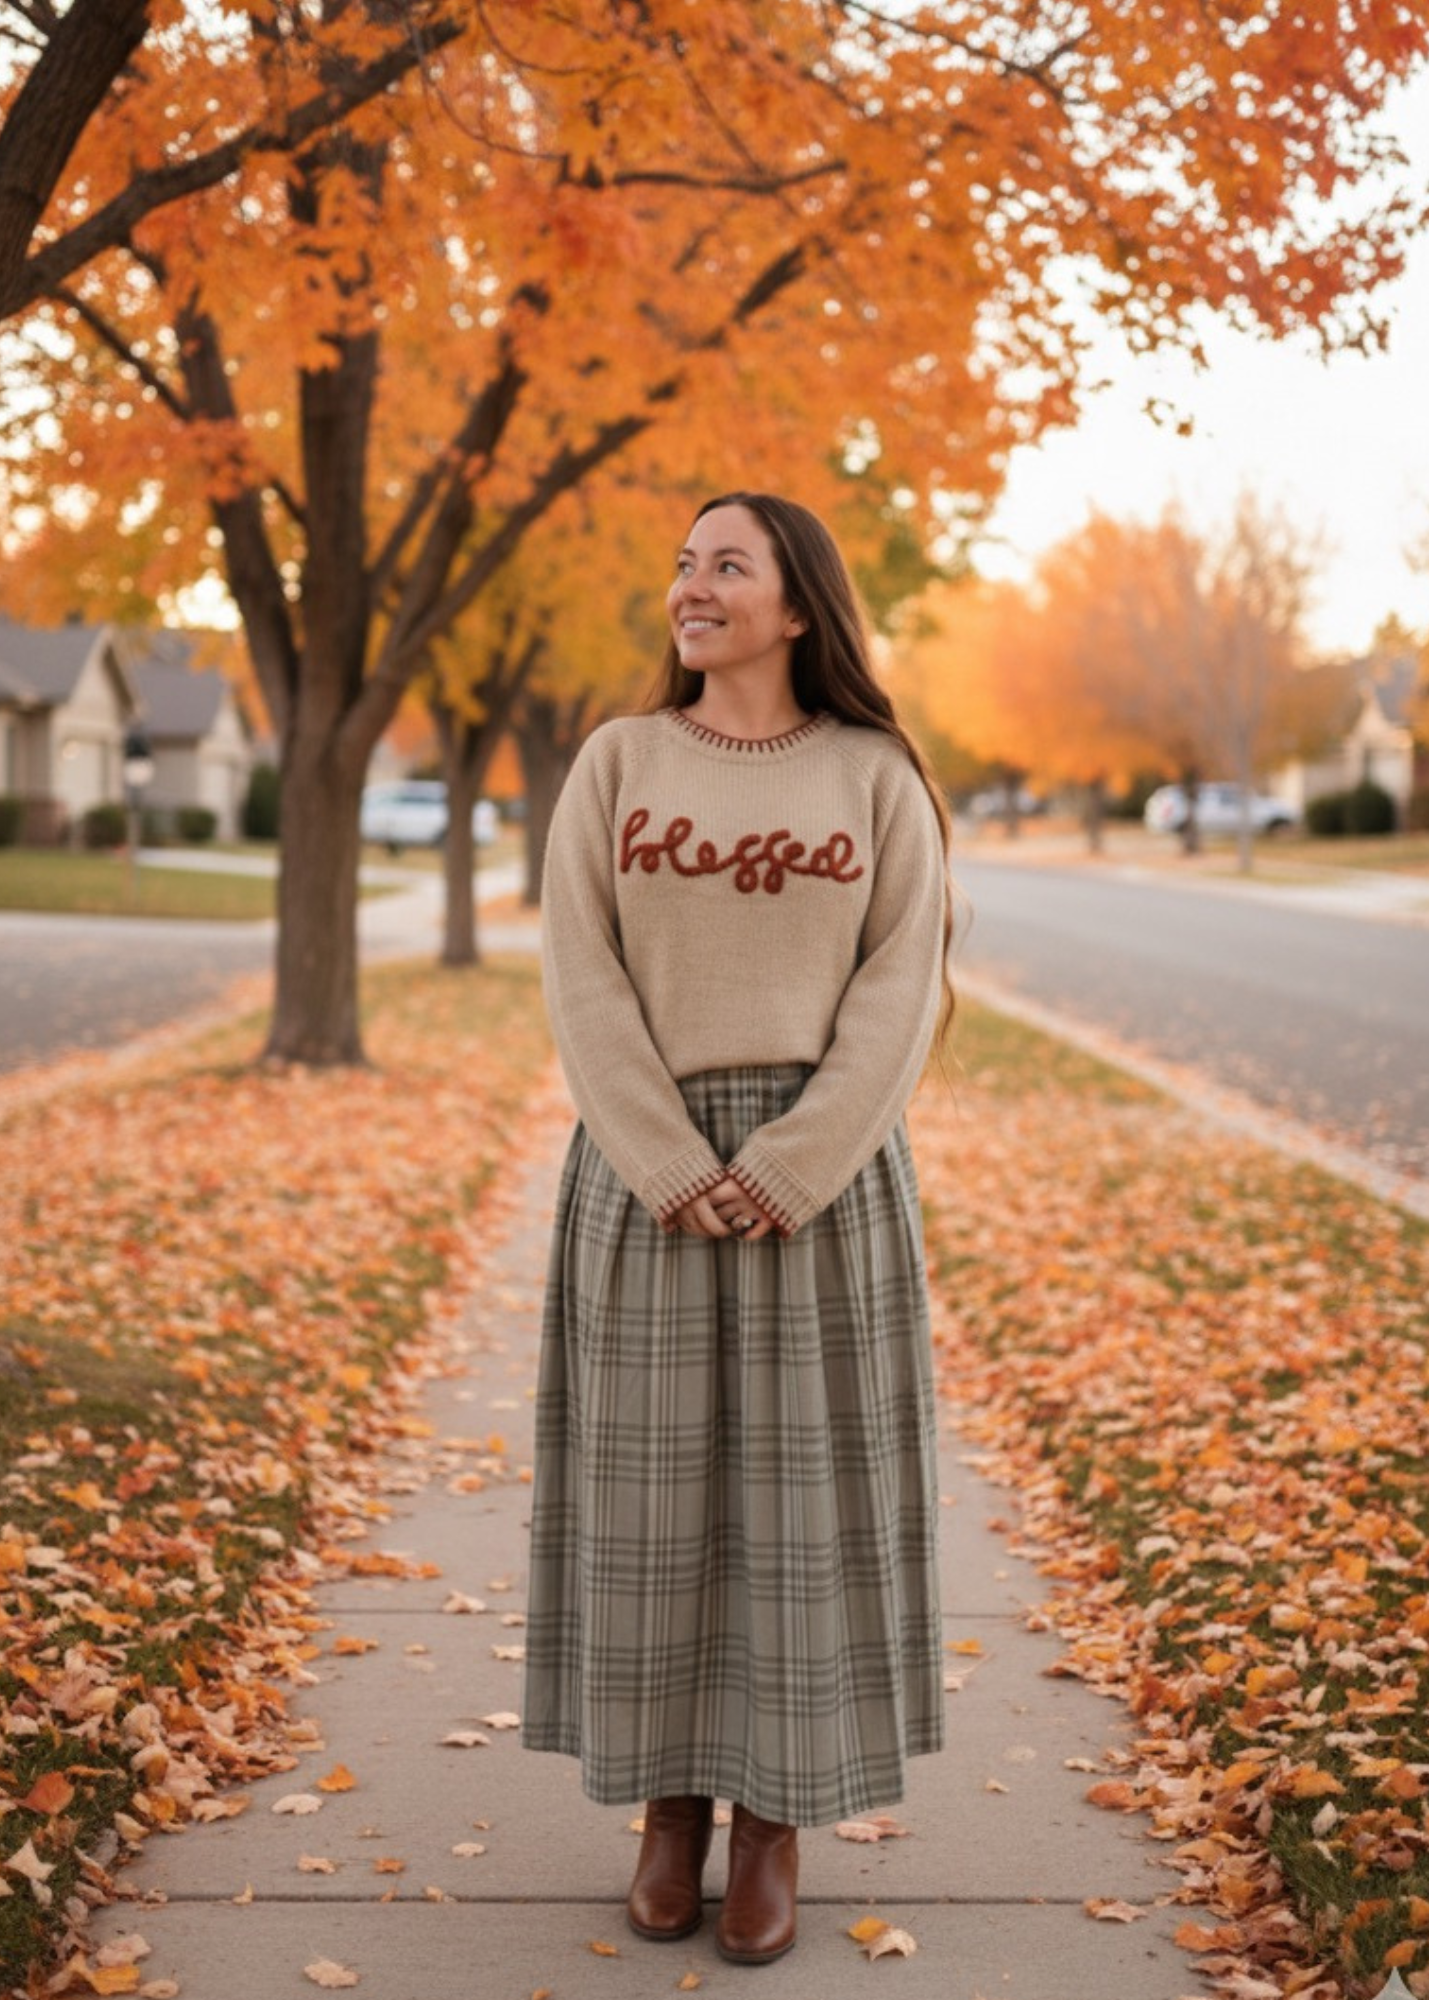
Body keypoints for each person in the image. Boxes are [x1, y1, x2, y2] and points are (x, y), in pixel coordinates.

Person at [523, 490, 952, 1966]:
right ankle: (670, 1814)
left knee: (798, 1517)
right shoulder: (618, 762)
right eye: (682, 565)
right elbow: (579, 976)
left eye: (727, 565)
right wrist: (662, 1154)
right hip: (644, 1181)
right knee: (651, 1516)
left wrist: (789, 1163)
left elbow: (904, 991)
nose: (690, 586)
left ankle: (775, 1825)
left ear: (795, 607)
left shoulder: (875, 776)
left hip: (818, 1194)